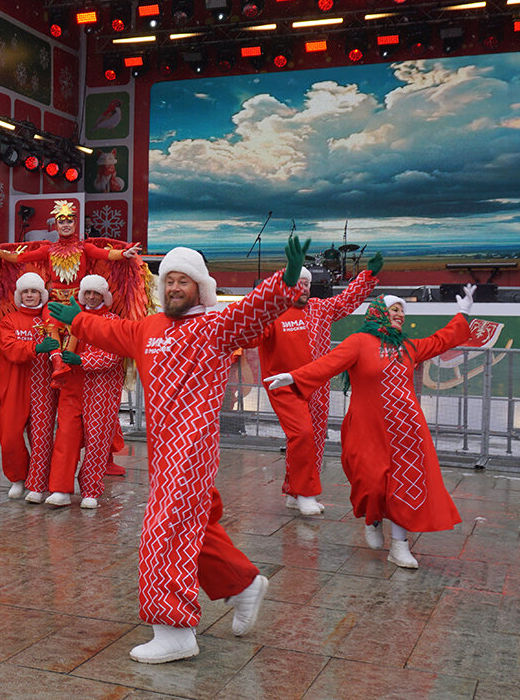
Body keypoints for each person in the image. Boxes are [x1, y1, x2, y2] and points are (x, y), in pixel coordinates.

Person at [49, 236, 308, 663]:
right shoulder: (149, 328)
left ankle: (174, 630)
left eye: (183, 281)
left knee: (162, 532)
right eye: (168, 280)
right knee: (193, 528)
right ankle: (243, 585)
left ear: (199, 287)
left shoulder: (215, 326)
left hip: (192, 449)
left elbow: (253, 311)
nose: (174, 288)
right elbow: (113, 331)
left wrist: (287, 281)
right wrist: (78, 320)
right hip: (162, 449)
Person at [265, 287, 475, 570]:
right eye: (395, 310)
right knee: (373, 483)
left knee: (404, 486)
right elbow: (328, 365)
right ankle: (374, 518)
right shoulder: (359, 342)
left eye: (403, 310)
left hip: (406, 430)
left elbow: (442, 340)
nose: (400, 315)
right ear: (379, 313)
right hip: (367, 430)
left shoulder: (408, 347)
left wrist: (463, 314)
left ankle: (399, 546)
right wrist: (293, 376)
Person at [253, 255, 382, 515]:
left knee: (312, 439)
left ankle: (294, 490)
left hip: (318, 386)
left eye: (307, 284)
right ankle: (306, 493)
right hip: (284, 385)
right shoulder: (273, 312)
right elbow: (251, 333)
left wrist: (367, 277)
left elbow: (346, 302)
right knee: (302, 434)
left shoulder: (320, 309)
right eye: (297, 283)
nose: (304, 289)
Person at [0, 200, 142, 384]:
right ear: (56, 225)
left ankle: (68, 364)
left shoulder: (85, 247)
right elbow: (21, 257)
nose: (66, 225)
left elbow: (104, 254)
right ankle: (58, 363)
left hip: (77, 302)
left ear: (75, 224)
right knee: (50, 321)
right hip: (55, 301)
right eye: (61, 221)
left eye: (69, 221)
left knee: (77, 324)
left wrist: (123, 254)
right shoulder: (49, 250)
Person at [45, 275, 124, 509]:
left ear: (103, 296)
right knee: (66, 437)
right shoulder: (72, 319)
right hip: (72, 387)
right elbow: (56, 341)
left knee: (97, 440)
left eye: (95, 293)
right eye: (87, 293)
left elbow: (113, 354)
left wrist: (82, 359)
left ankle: (91, 489)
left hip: (102, 390)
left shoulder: (113, 321)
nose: (91, 297)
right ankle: (60, 489)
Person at [0, 272, 58, 501]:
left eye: (34, 291)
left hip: (43, 387)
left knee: (41, 436)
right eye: (26, 291)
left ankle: (38, 483)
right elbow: (10, 348)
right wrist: (35, 347)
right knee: (10, 436)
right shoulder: (9, 320)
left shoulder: (48, 320)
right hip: (14, 385)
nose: (30, 295)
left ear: (42, 294)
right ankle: (18, 478)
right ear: (19, 294)